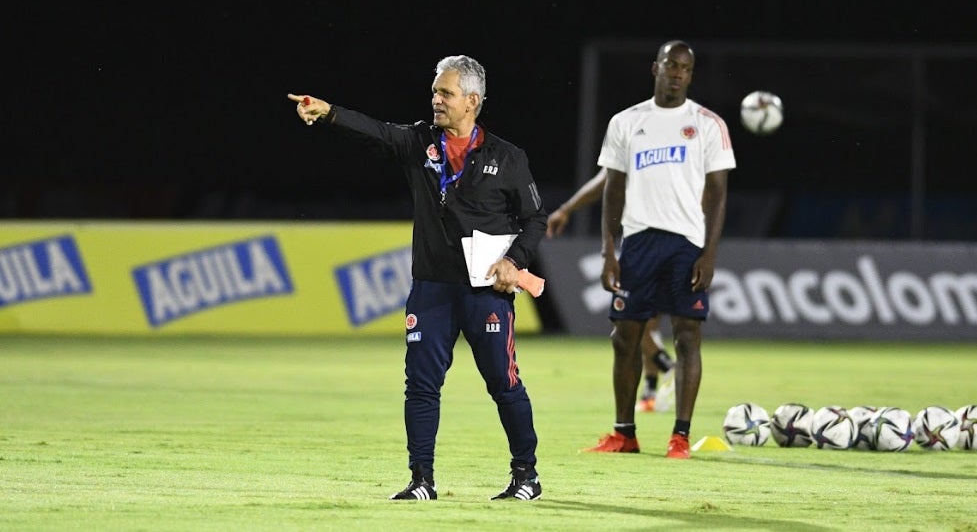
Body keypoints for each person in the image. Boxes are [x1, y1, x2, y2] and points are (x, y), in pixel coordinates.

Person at [288, 55, 546, 500]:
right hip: (431, 288)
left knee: (503, 384)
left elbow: (536, 219)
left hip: (484, 291)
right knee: (421, 387)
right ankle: (421, 480)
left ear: (472, 101)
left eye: (445, 93)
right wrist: (329, 112)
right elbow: (374, 131)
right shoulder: (419, 143)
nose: (436, 100)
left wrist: (514, 261)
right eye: (434, 92)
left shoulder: (507, 157)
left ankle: (527, 475)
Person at [583, 40, 736, 458]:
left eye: (685, 68)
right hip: (637, 242)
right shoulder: (626, 122)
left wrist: (709, 253)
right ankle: (624, 434)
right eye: (671, 65)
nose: (677, 74)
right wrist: (608, 250)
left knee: (688, 337)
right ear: (655, 68)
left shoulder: (708, 124)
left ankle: (680, 437)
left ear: (691, 74)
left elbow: (719, 195)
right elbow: (613, 189)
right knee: (624, 337)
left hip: (686, 243)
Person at [545, 169, 676, 413]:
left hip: (645, 243)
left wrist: (566, 209)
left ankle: (667, 365)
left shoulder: (633, 137)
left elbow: (603, 180)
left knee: (629, 320)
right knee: (648, 323)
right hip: (675, 242)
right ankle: (650, 390)